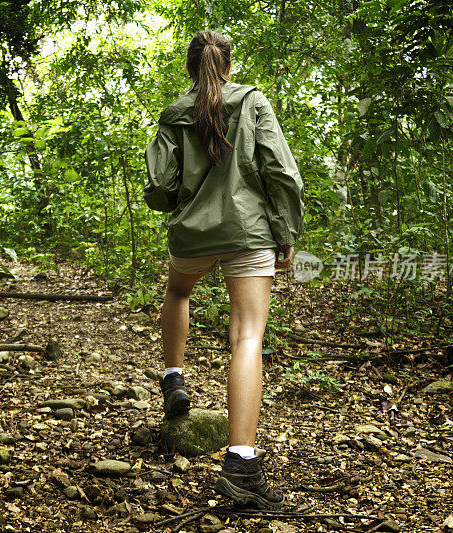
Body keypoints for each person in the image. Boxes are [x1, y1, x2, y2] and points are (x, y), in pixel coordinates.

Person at [143, 30, 304, 509]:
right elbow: (280, 172)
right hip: (248, 232)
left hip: (192, 234)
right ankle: (240, 464)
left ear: (190, 70)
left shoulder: (174, 113)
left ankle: (174, 378)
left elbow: (158, 185)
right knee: (247, 335)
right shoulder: (253, 102)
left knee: (178, 292)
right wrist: (286, 230)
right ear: (228, 66)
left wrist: (185, 204)